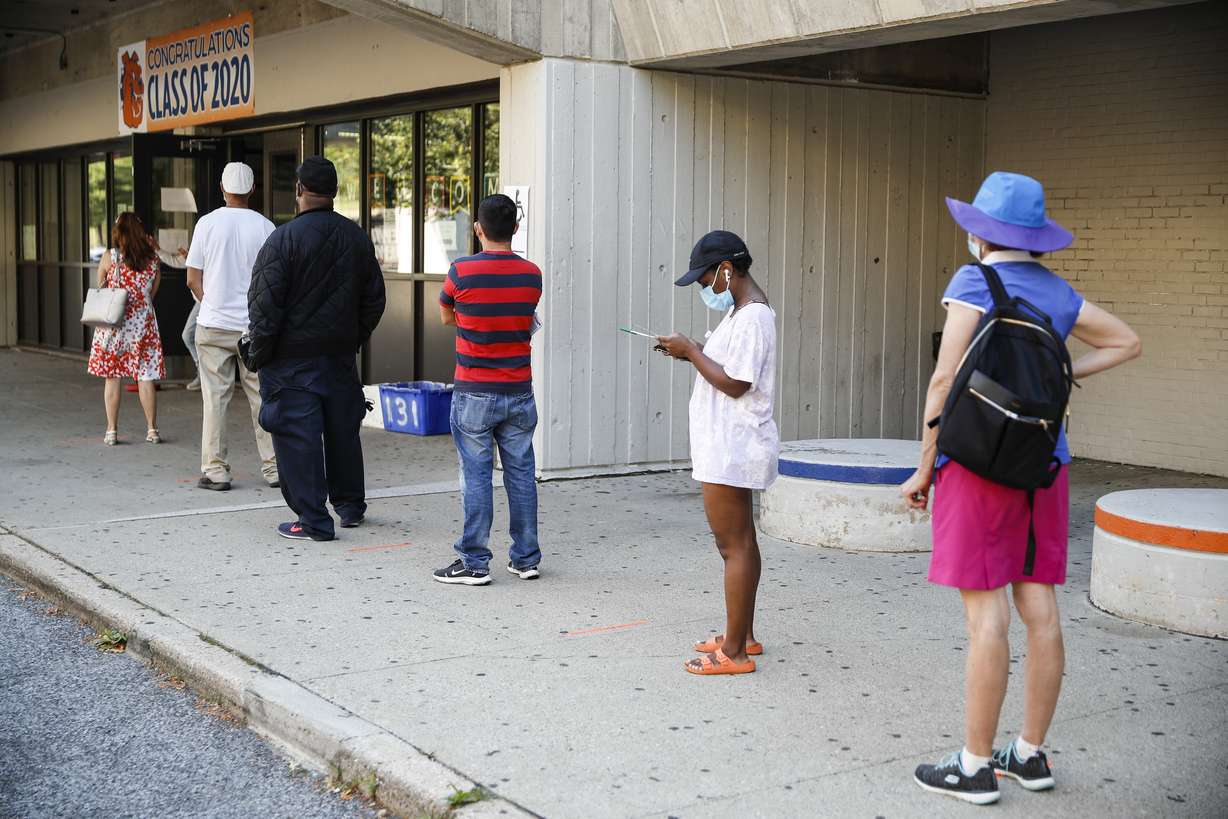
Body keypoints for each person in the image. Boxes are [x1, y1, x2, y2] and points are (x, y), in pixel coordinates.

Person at [901, 172, 1141, 805]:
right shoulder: (1060, 293)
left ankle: (975, 766)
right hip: (1045, 466)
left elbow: (944, 381)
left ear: (981, 232)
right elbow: (1127, 341)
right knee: (1040, 611)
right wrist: (1064, 378)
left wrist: (925, 467)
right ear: (1035, 239)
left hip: (978, 466)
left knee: (987, 617)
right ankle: (1029, 756)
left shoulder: (972, 282)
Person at [655, 230, 778, 676]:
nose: (705, 289)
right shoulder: (742, 313)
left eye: (706, 279)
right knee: (741, 541)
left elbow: (736, 383)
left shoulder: (753, 318)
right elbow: (727, 368)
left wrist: (691, 349)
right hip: (728, 443)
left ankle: (735, 654)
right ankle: (741, 634)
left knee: (733, 546)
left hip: (733, 446)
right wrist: (692, 354)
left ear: (727, 269)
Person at [246, 156, 386, 541]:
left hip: (291, 361)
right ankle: (350, 506)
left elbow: (263, 308)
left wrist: (260, 353)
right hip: (339, 356)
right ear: (335, 192)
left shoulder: (282, 240)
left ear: (299, 191)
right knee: (342, 431)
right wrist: (352, 336)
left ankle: (313, 521)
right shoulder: (355, 237)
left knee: (298, 437)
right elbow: (375, 298)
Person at [432, 194, 543, 586]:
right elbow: (524, 319)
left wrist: (472, 322)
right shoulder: (532, 274)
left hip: (475, 390)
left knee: (476, 476)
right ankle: (526, 558)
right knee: (521, 474)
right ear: (515, 228)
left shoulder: (461, 271)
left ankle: (475, 562)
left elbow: (447, 313)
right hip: (519, 391)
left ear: (477, 228)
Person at [185, 162, 278, 491]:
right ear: (252, 190)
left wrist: (209, 302)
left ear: (222, 190)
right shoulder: (266, 227)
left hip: (212, 326)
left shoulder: (206, 224)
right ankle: (274, 468)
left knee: (215, 400)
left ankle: (216, 471)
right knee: (262, 398)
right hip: (253, 329)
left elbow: (193, 278)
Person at [86, 212, 165, 445]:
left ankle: (111, 431)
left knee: (113, 378)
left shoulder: (111, 257)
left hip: (114, 324)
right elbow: (152, 292)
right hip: (143, 325)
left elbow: (100, 284)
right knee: (145, 376)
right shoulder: (152, 259)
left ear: (117, 233)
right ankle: (152, 429)